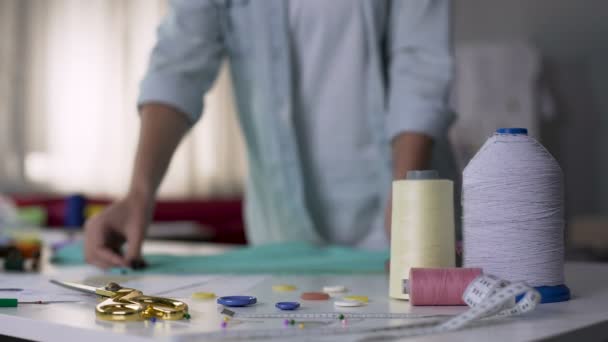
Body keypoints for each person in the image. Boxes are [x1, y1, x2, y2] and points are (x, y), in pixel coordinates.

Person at [84, 0, 457, 269]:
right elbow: (178, 66)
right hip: (283, 233)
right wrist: (139, 193)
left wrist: (408, 196)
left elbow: (420, 64)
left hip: (401, 219)